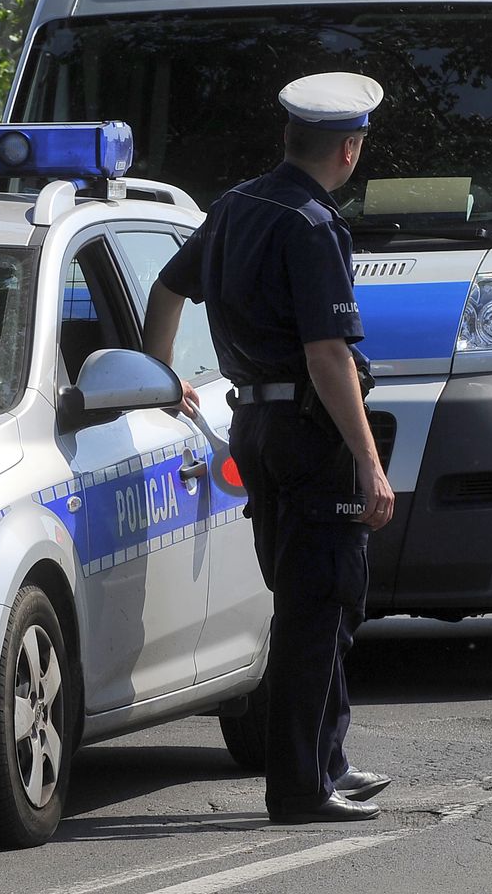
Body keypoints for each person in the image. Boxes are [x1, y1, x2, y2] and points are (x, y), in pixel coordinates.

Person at [142, 71, 396, 824]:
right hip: (310, 433)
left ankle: (329, 760)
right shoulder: (314, 225)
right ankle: (300, 786)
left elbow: (166, 288)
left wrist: (162, 375)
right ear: (349, 150)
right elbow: (328, 356)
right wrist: (371, 464)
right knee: (322, 607)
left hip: (252, 424)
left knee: (307, 598)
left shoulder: (235, 205)